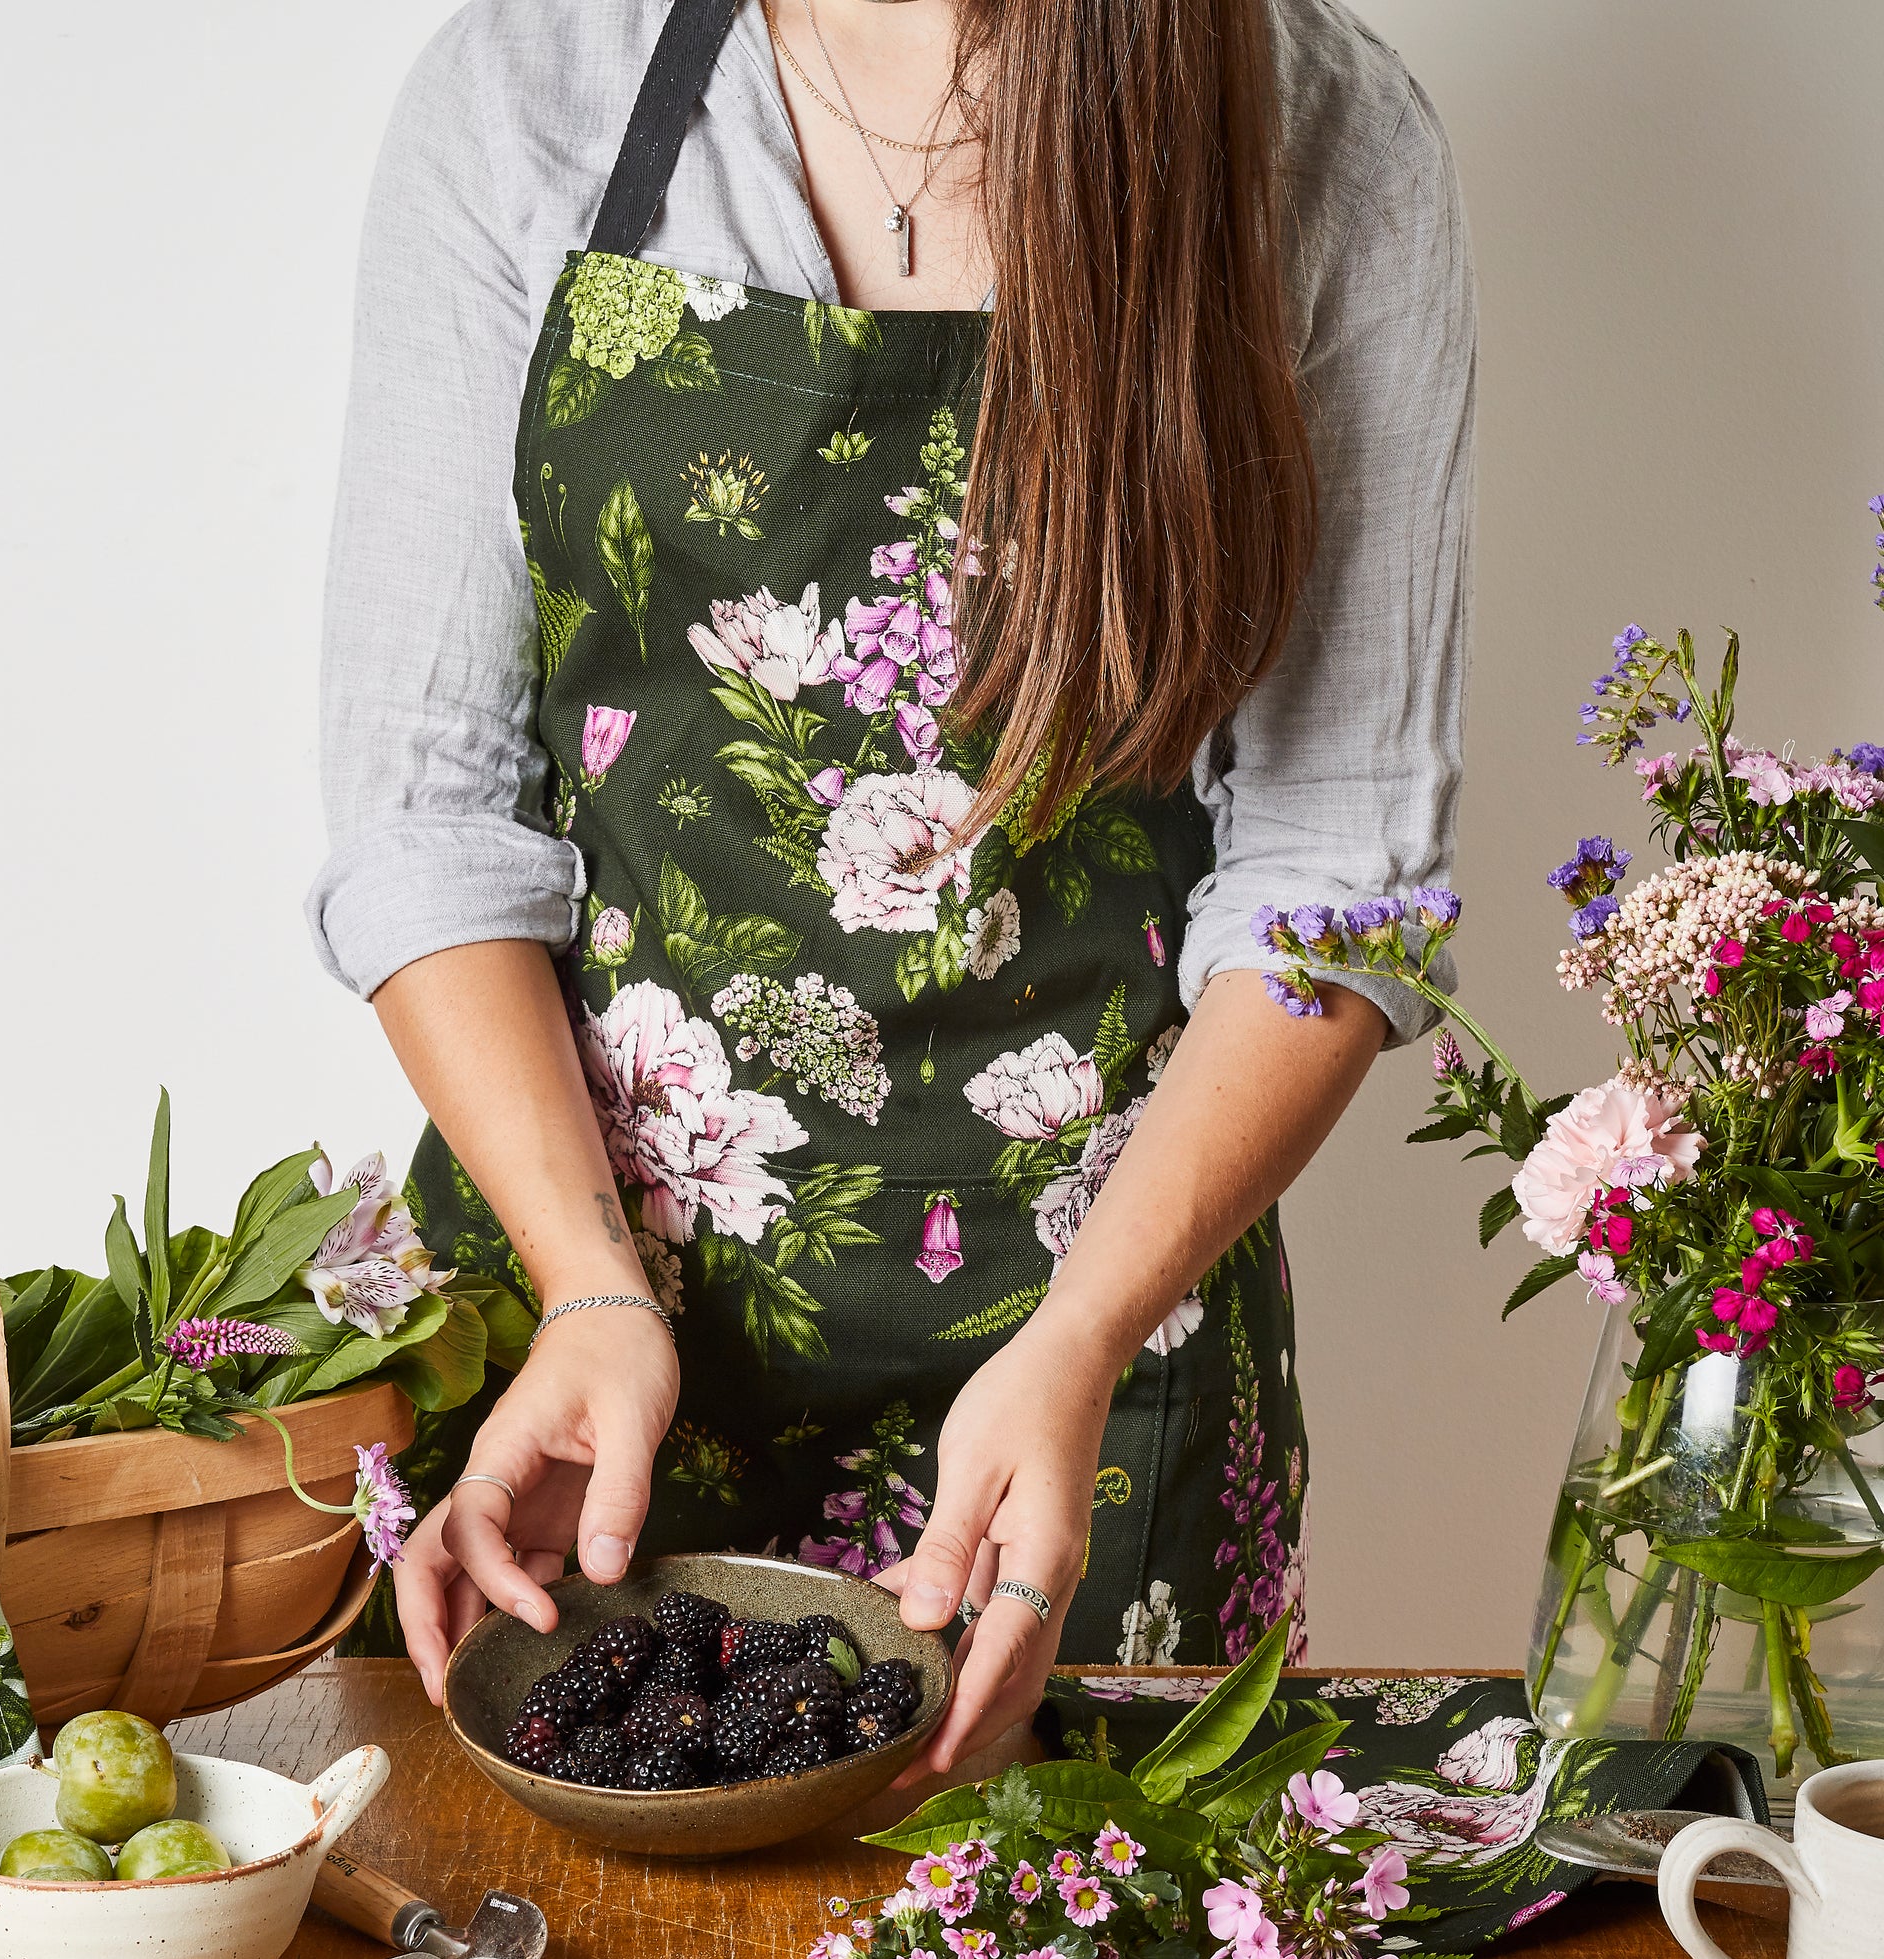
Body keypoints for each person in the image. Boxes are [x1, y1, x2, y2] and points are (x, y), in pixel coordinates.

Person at [309, 0, 1473, 1779]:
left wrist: (1081, 1337)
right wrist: (586, 1286)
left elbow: (1344, 870)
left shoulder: (1314, 133)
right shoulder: (536, 93)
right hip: (597, 1363)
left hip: (1103, 1382)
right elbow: (427, 812)